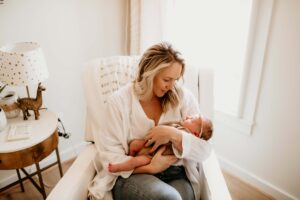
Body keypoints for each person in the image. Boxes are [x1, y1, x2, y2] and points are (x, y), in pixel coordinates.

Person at [88, 42, 212, 200]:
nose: (171, 86)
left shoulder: (183, 97)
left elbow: (205, 149)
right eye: (167, 79)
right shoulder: (118, 102)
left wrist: (173, 134)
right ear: (149, 73)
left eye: (175, 80)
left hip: (176, 173)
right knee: (170, 198)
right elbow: (111, 159)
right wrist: (151, 168)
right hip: (132, 176)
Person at [108, 115, 213, 173]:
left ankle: (119, 168)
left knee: (135, 161)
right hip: (148, 144)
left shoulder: (185, 136)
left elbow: (203, 149)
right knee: (134, 144)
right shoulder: (179, 125)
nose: (188, 117)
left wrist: (173, 134)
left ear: (195, 134)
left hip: (152, 157)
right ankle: (128, 157)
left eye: (191, 120)